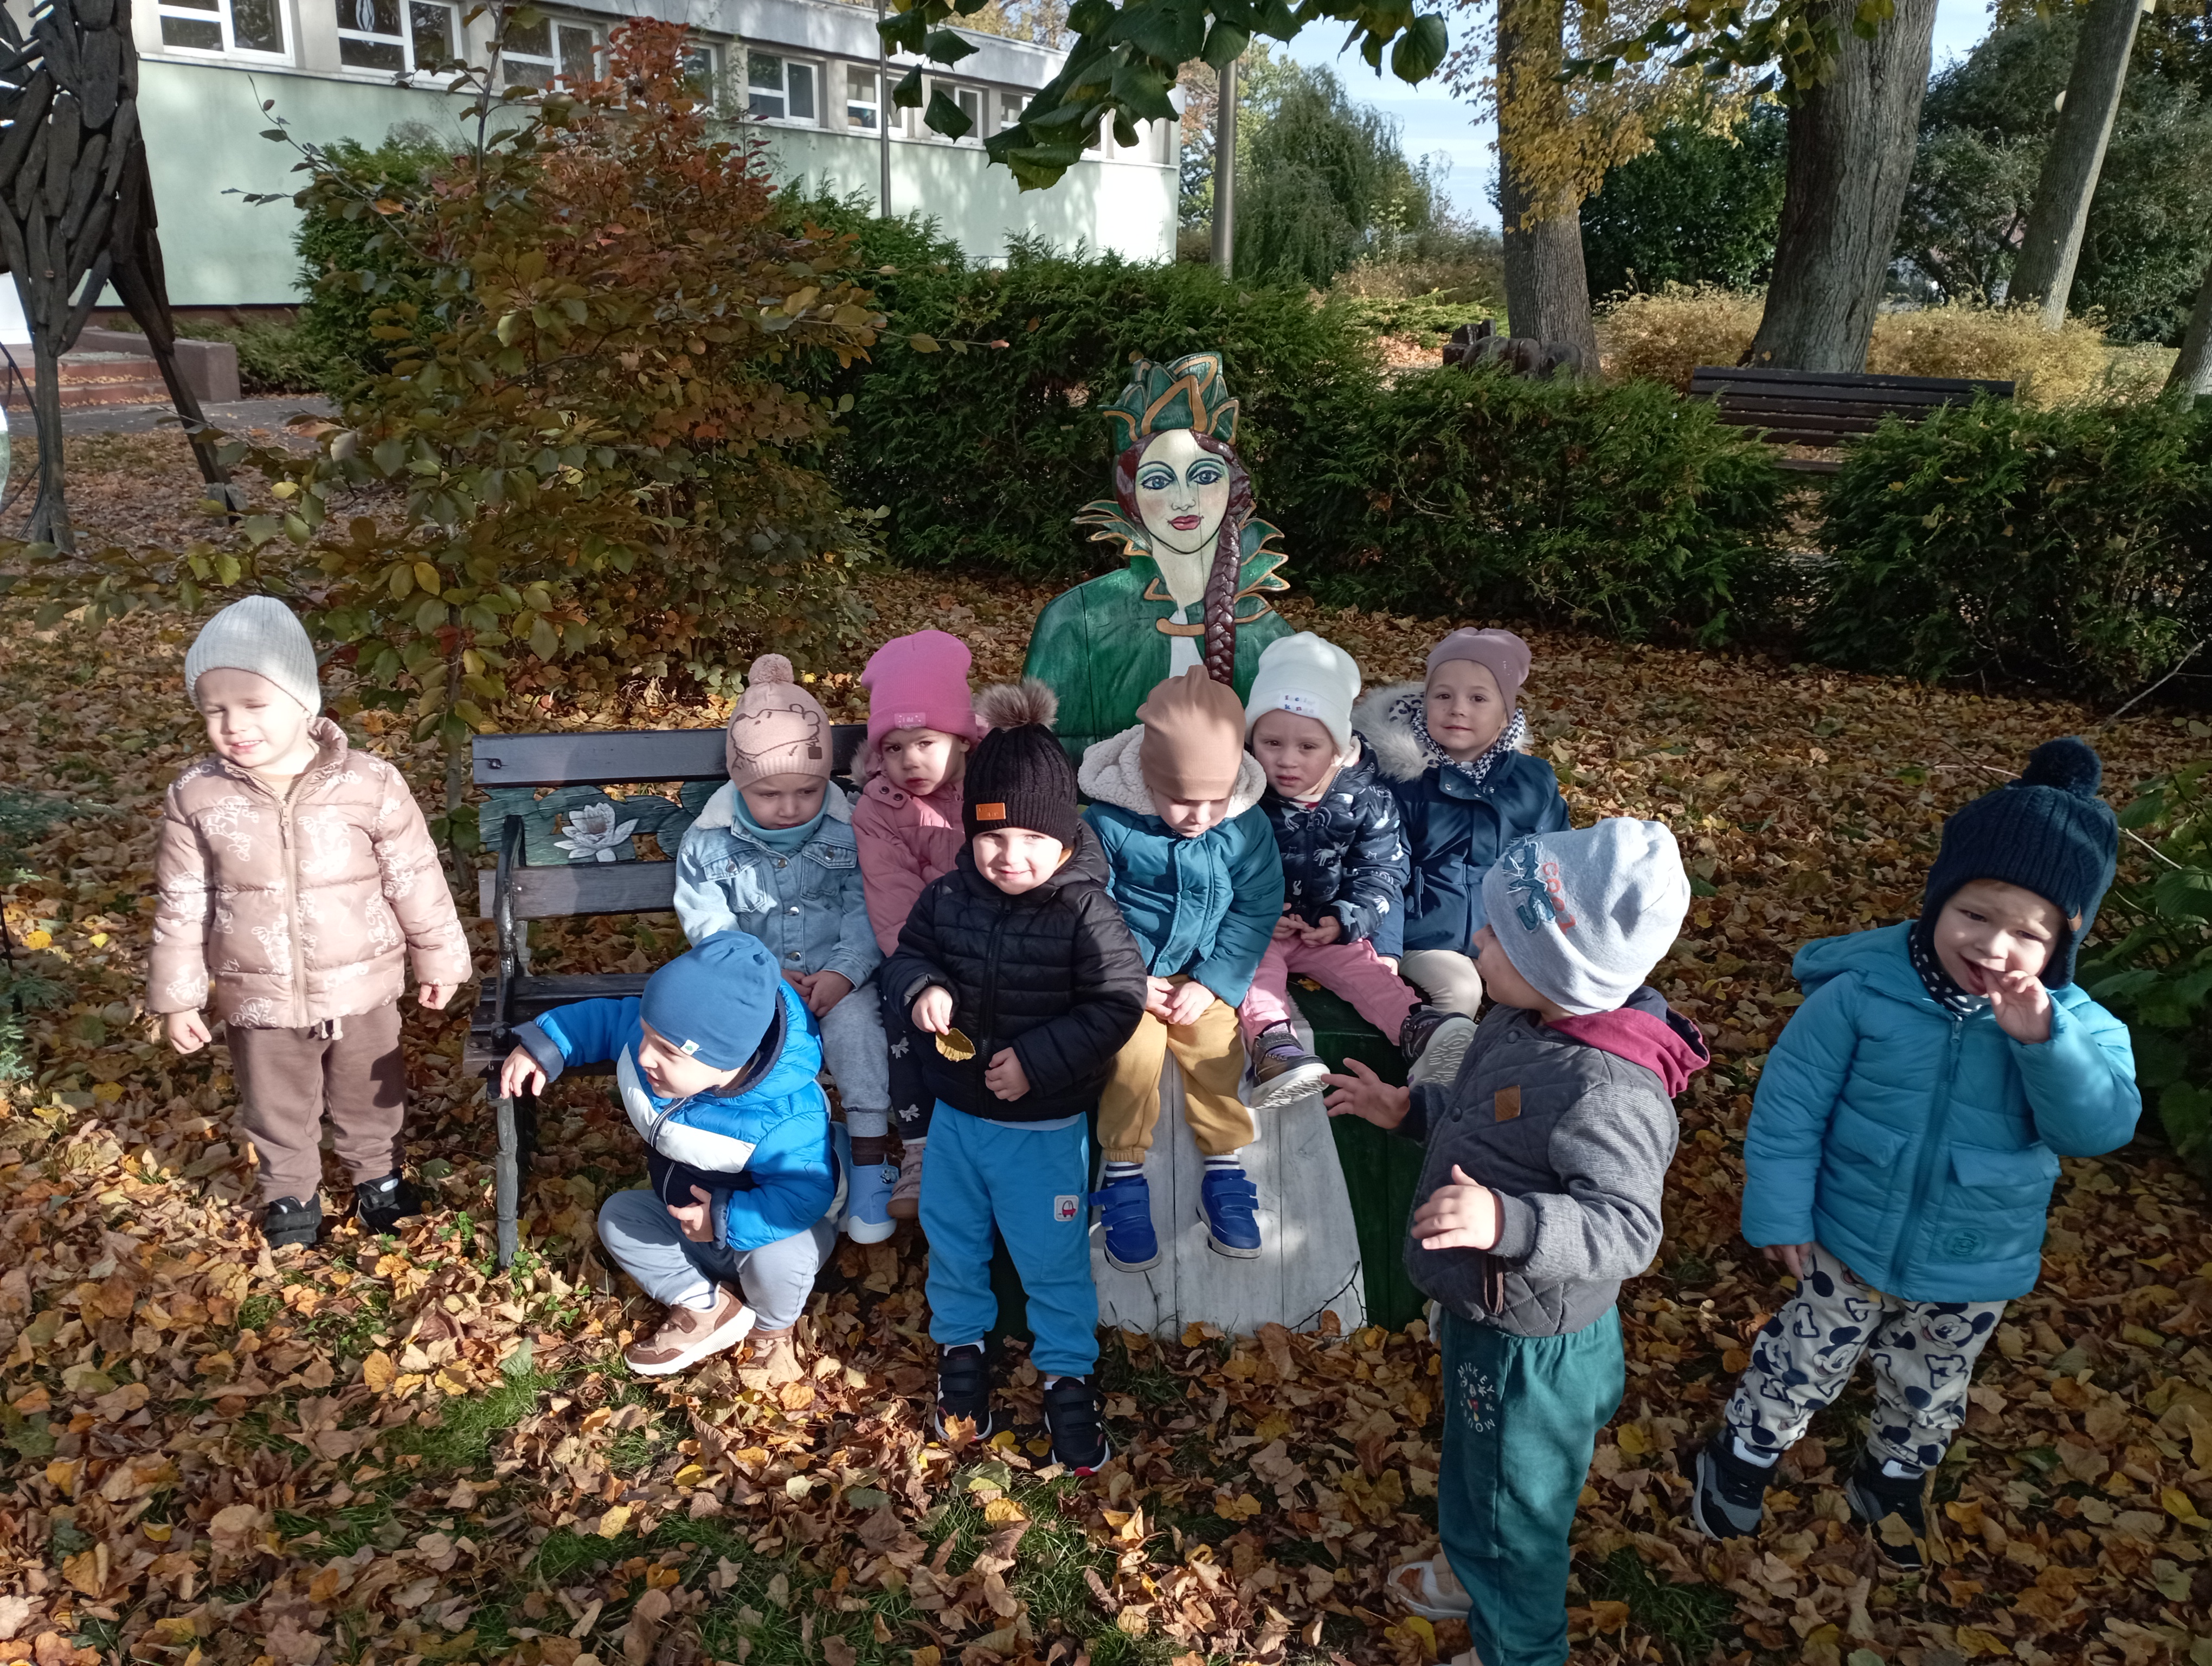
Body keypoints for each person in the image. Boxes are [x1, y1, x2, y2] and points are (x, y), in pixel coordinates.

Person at [1690, 738, 2139, 1569]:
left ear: (2062, 947)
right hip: (1847, 1234)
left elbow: (2096, 1129)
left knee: (1932, 1380)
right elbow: (1792, 1105)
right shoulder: (1864, 996)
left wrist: (2047, 1044)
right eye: (1976, 914)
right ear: (1938, 902)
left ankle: (1894, 1474)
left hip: (1975, 1257)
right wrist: (1781, 1212)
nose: (1994, 947)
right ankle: (1746, 1451)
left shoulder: (2078, 1028)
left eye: (2028, 933)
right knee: (1806, 1354)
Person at [1326, 821, 1705, 1666]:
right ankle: (1471, 1569)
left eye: (1499, 936)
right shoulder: (1526, 1020)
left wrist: (1510, 1224)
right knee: (1483, 1466)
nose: (1477, 942)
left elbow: (1628, 1227)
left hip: (1531, 1350)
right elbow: (1490, 1122)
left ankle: (1520, 1646)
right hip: (1496, 1315)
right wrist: (1412, 1111)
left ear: (1563, 969)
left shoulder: (1606, 1088)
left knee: (1515, 1518)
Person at [881, 680, 1148, 1469]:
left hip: (1043, 1131)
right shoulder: (948, 897)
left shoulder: (1084, 910)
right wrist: (922, 989)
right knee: (954, 1244)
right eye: (993, 836)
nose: (1010, 855)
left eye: (1032, 837)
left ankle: (1067, 1374)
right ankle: (962, 1353)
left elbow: (1118, 1002)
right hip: (956, 1121)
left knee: (1052, 1259)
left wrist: (1036, 1061)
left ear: (1064, 839)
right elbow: (908, 957)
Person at [152, 595, 471, 1248]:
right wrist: (179, 997)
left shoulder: (369, 782)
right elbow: (182, 901)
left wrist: (438, 957)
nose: (234, 725)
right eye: (214, 710)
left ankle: (379, 1179)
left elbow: (414, 875)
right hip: (259, 992)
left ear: (303, 701)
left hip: (361, 986)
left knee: (370, 1091)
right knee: (276, 1102)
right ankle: (290, 1194)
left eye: (254, 704)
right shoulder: (198, 796)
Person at [496, 932, 835, 1382]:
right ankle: (704, 1305)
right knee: (619, 1217)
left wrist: (726, 1219)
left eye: (667, 1052)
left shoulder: (788, 1118)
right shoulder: (660, 1037)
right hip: (685, 1222)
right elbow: (603, 1020)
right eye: (647, 1034)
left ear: (725, 1062)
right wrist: (544, 1047)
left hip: (765, 1231)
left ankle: (772, 1329)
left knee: (782, 1256)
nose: (644, 1055)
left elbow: (804, 1195)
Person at [673, 653, 891, 1244]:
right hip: (755, 988)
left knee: (858, 1032)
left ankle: (869, 1161)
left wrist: (845, 972)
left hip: (838, 979)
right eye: (770, 794)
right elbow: (709, 922)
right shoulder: (709, 841)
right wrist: (761, 976)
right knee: (740, 1043)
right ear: (739, 784)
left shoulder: (849, 830)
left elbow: (868, 906)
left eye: (808, 790)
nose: (791, 807)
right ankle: (775, 1158)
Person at [1082, 667, 1284, 1267]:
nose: (1198, 815)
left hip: (1203, 971)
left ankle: (1225, 1168)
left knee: (1217, 1051)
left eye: (1213, 801)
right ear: (1148, 777)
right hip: (1128, 974)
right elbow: (1090, 904)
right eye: (1181, 800)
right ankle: (1123, 1173)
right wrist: (1126, 977)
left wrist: (1213, 982)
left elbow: (1256, 907)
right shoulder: (1110, 823)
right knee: (1131, 1055)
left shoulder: (1244, 826)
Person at [1023, 353, 1291, 757]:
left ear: (1233, 488)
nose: (1184, 500)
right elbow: (1036, 757)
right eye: (1158, 481)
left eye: (1204, 476)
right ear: (1130, 498)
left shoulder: (1270, 636)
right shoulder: (1076, 620)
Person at [1233, 632, 1423, 1110]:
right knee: (1253, 973)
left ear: (1337, 750)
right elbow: (1219, 863)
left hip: (1328, 927)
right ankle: (1275, 1048)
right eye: (1271, 743)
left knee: (1367, 972)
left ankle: (1421, 1031)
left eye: (1308, 746)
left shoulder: (1366, 799)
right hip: (1259, 929)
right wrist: (1255, 913)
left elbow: (1382, 870)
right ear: (1251, 740)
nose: (1287, 760)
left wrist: (1345, 919)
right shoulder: (1240, 793)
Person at [1354, 627, 1570, 1021]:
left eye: (1478, 698)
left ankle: (1531, 1059)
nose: (1457, 709)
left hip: (1507, 935)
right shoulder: (1401, 781)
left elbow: (1554, 865)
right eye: (1443, 696)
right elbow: (1384, 869)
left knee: (1557, 991)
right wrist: (1386, 948)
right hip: (1424, 934)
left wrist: (1551, 939)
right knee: (1460, 991)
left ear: (1505, 714)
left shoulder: (1532, 781)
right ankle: (1434, 1061)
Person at [852, 630, 985, 1221]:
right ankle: (920, 1148)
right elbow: (892, 898)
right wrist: (928, 973)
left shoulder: (992, 786)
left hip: (998, 941)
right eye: (894, 747)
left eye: (926, 741)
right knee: (903, 1010)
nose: (910, 760)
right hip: (917, 949)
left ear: (962, 738)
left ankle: (989, 1139)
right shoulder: (878, 808)